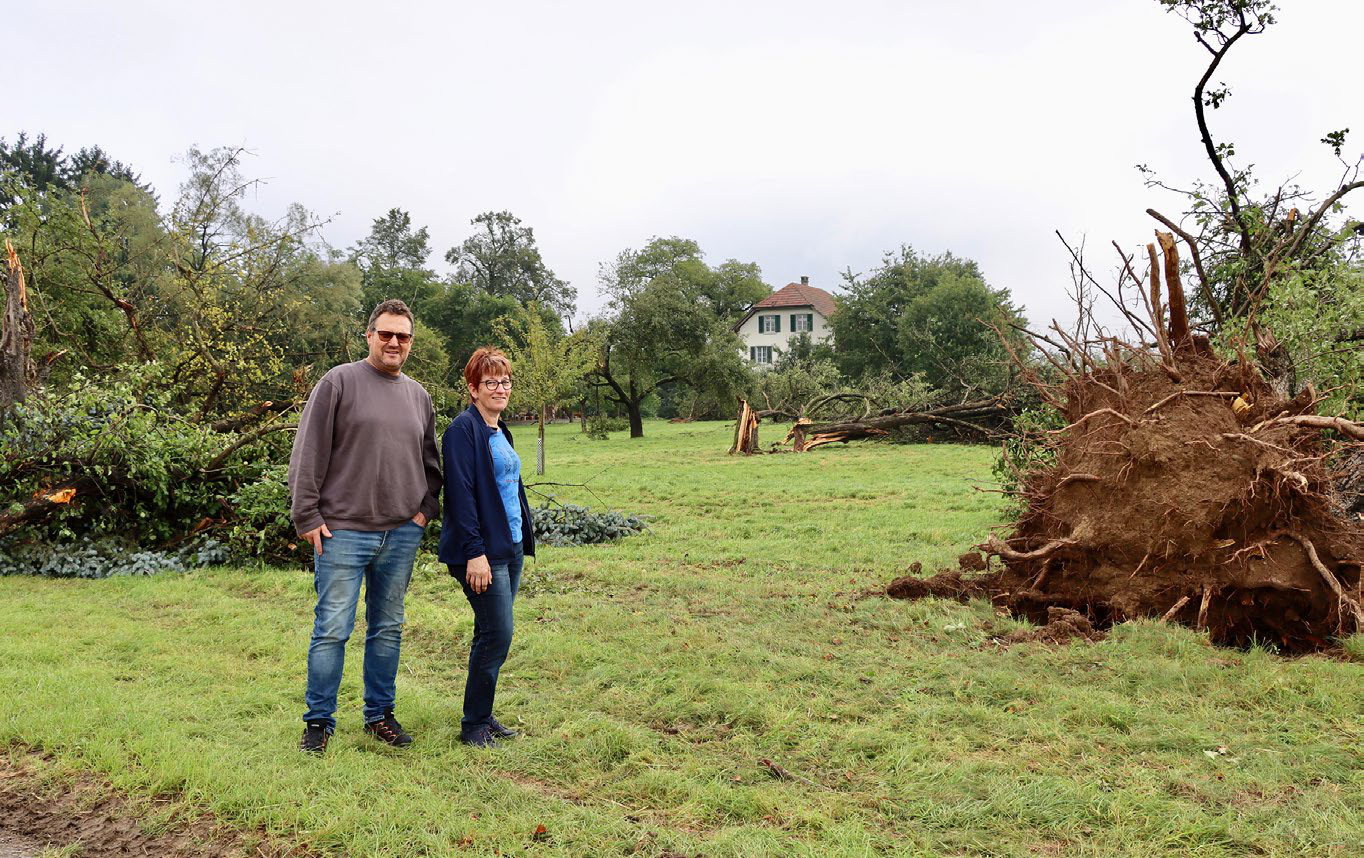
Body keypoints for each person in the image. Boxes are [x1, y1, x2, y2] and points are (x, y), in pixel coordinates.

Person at [288, 299, 441, 755]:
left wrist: (424, 511)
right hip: (342, 532)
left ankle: (380, 716)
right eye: (386, 333)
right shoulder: (339, 382)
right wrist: (307, 515)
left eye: (403, 336)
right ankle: (318, 723)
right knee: (332, 628)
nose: (394, 342)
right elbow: (309, 450)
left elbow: (432, 463)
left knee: (387, 626)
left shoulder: (419, 396)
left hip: (400, 532)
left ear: (411, 342)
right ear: (369, 335)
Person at [439, 347, 536, 748]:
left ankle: (481, 713)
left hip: (509, 547)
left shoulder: (499, 429)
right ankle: (473, 725)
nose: (500, 388)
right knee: (498, 633)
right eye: (491, 382)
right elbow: (460, 496)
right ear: (473, 388)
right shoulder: (463, 430)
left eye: (505, 381)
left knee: (489, 633)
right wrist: (475, 553)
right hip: (482, 553)